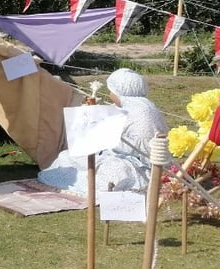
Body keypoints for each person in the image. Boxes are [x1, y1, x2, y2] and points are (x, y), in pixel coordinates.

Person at [38, 68, 169, 194]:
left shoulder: (140, 112)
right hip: (123, 156)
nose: (110, 95)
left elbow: (141, 147)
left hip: (142, 164)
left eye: (111, 91)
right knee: (67, 156)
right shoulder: (139, 105)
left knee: (112, 170)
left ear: (120, 92)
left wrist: (105, 143)